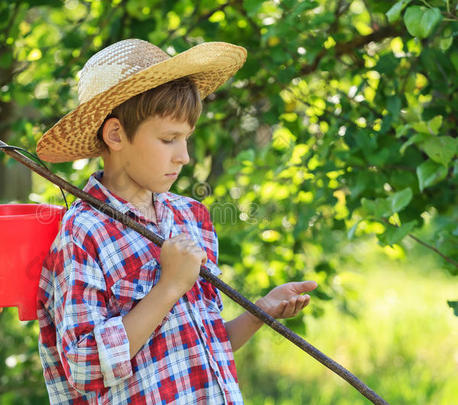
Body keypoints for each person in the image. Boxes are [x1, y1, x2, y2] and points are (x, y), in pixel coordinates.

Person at [36, 39, 317, 404]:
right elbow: (85, 368)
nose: (183, 156)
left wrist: (260, 312)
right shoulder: (85, 233)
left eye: (186, 138)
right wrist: (168, 287)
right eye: (169, 139)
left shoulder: (191, 218)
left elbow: (202, 346)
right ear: (116, 135)